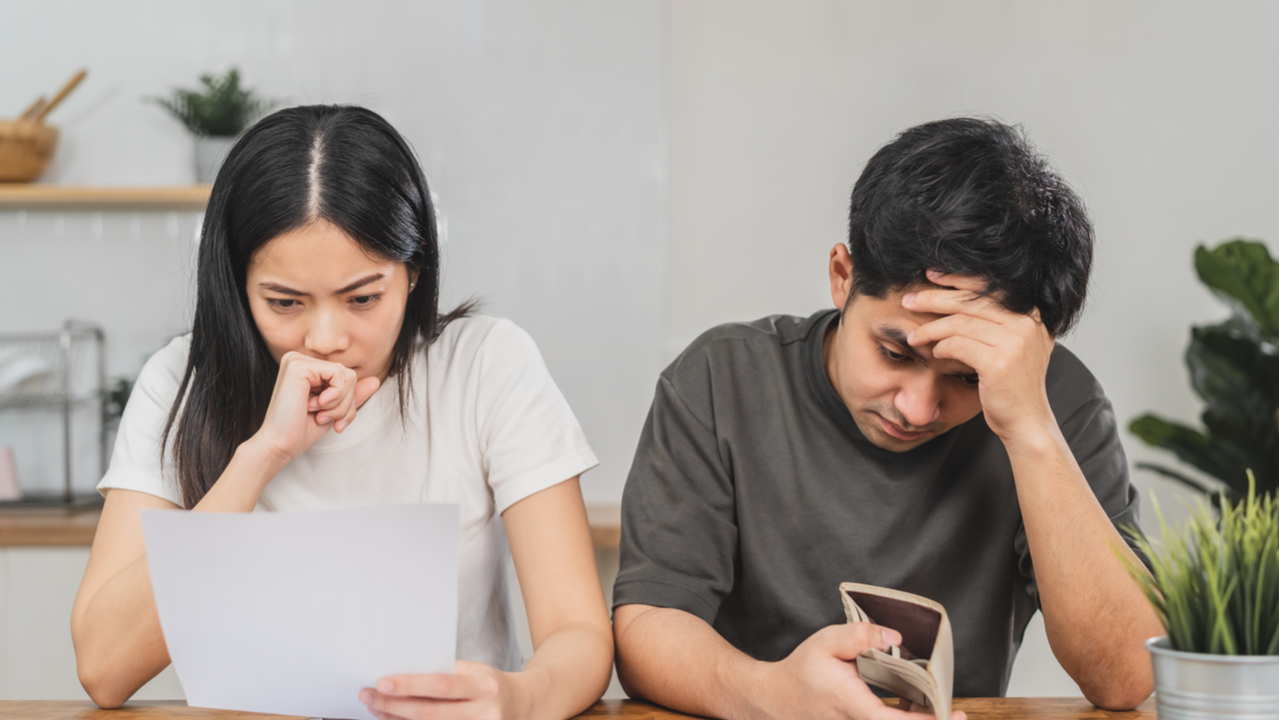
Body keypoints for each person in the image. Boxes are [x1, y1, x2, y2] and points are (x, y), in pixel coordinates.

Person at [71, 105, 613, 720]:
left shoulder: (486, 365)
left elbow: (580, 634)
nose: (325, 337)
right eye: (284, 301)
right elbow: (103, 667)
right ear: (236, 285)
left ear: (414, 271)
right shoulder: (179, 381)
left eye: (362, 298)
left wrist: (519, 697)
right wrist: (260, 456)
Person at [611, 118, 1163, 720]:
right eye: (895, 353)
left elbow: (1126, 677)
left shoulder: (1058, 404)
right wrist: (772, 696)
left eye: (966, 377)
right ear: (842, 278)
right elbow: (649, 627)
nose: (917, 408)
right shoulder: (720, 380)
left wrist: (1030, 428)